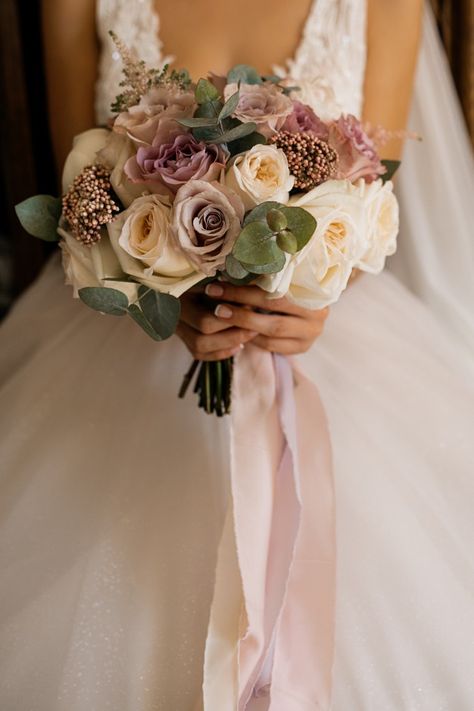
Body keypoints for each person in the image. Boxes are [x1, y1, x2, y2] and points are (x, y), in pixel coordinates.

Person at [1, 0, 473, 709]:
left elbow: (373, 199)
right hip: (120, 334)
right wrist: (155, 291)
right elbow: (84, 201)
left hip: (327, 344)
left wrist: (315, 296)